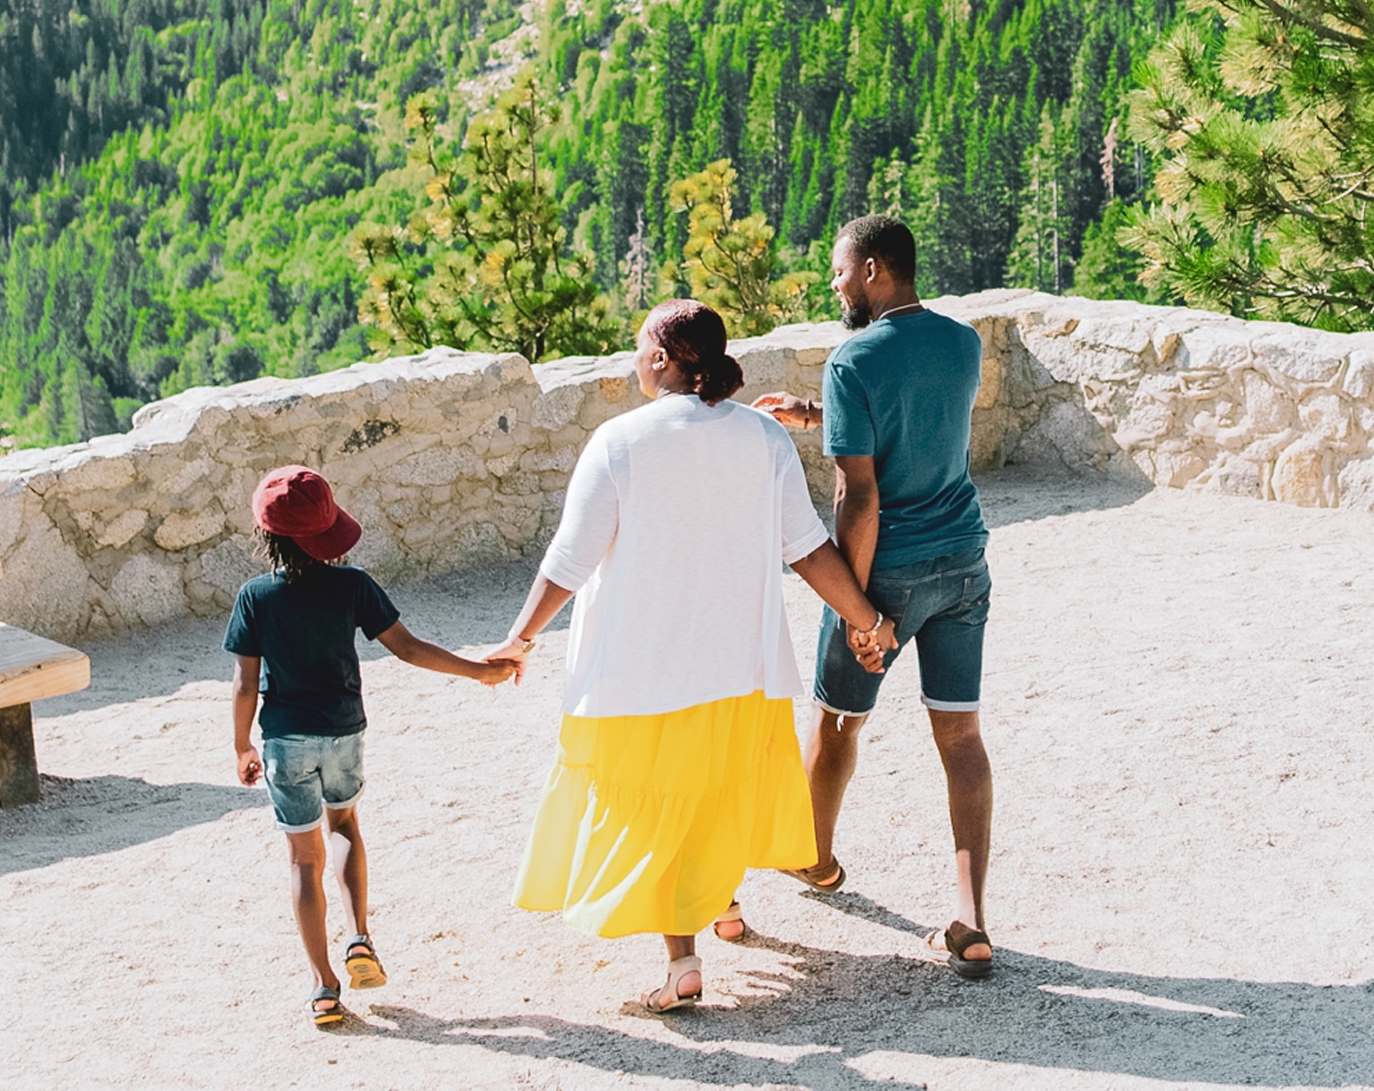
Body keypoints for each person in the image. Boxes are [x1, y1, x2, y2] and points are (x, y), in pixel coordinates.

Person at [489, 300, 897, 1015]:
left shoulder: (619, 442)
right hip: (741, 668)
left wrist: (518, 638)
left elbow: (570, 561)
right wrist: (866, 619)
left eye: (638, 347)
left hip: (642, 674)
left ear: (659, 359)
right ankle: (727, 906)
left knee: (664, 811)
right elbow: (806, 548)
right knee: (714, 788)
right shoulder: (762, 439)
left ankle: (682, 962)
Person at [753, 214, 999, 978]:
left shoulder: (852, 357)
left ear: (873, 271)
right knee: (960, 739)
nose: (833, 283)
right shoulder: (963, 343)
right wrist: (818, 420)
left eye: (839, 270)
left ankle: (815, 859)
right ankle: (972, 919)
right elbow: (920, 419)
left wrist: (860, 611)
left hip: (886, 572)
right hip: (964, 561)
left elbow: (858, 493)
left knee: (836, 726)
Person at [226, 464, 519, 1030]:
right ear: (328, 529)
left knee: (302, 861)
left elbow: (244, 682)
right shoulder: (352, 586)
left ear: (267, 536)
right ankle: (360, 937)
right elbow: (407, 649)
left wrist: (241, 744)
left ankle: (324, 987)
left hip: (285, 740)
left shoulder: (254, 598)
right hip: (344, 731)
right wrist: (478, 672)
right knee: (345, 828)